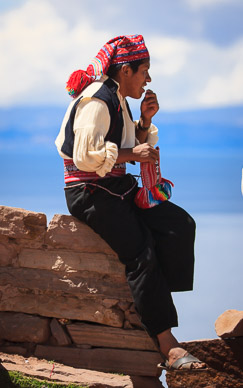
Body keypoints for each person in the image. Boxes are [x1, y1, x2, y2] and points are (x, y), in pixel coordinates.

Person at [55, 34, 206, 370]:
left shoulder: (118, 97)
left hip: (113, 185)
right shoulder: (97, 98)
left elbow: (123, 141)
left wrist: (144, 123)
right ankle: (167, 344)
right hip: (89, 192)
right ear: (125, 70)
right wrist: (132, 153)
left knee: (178, 225)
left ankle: (154, 296)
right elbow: (83, 157)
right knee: (141, 253)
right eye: (144, 71)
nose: (148, 79)